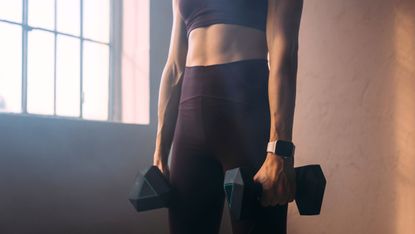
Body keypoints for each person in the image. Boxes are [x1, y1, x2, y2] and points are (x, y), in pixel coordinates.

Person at [152, 0, 303, 233]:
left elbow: (284, 51)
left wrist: (280, 150)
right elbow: (174, 66)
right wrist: (160, 151)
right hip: (189, 119)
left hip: (246, 115)